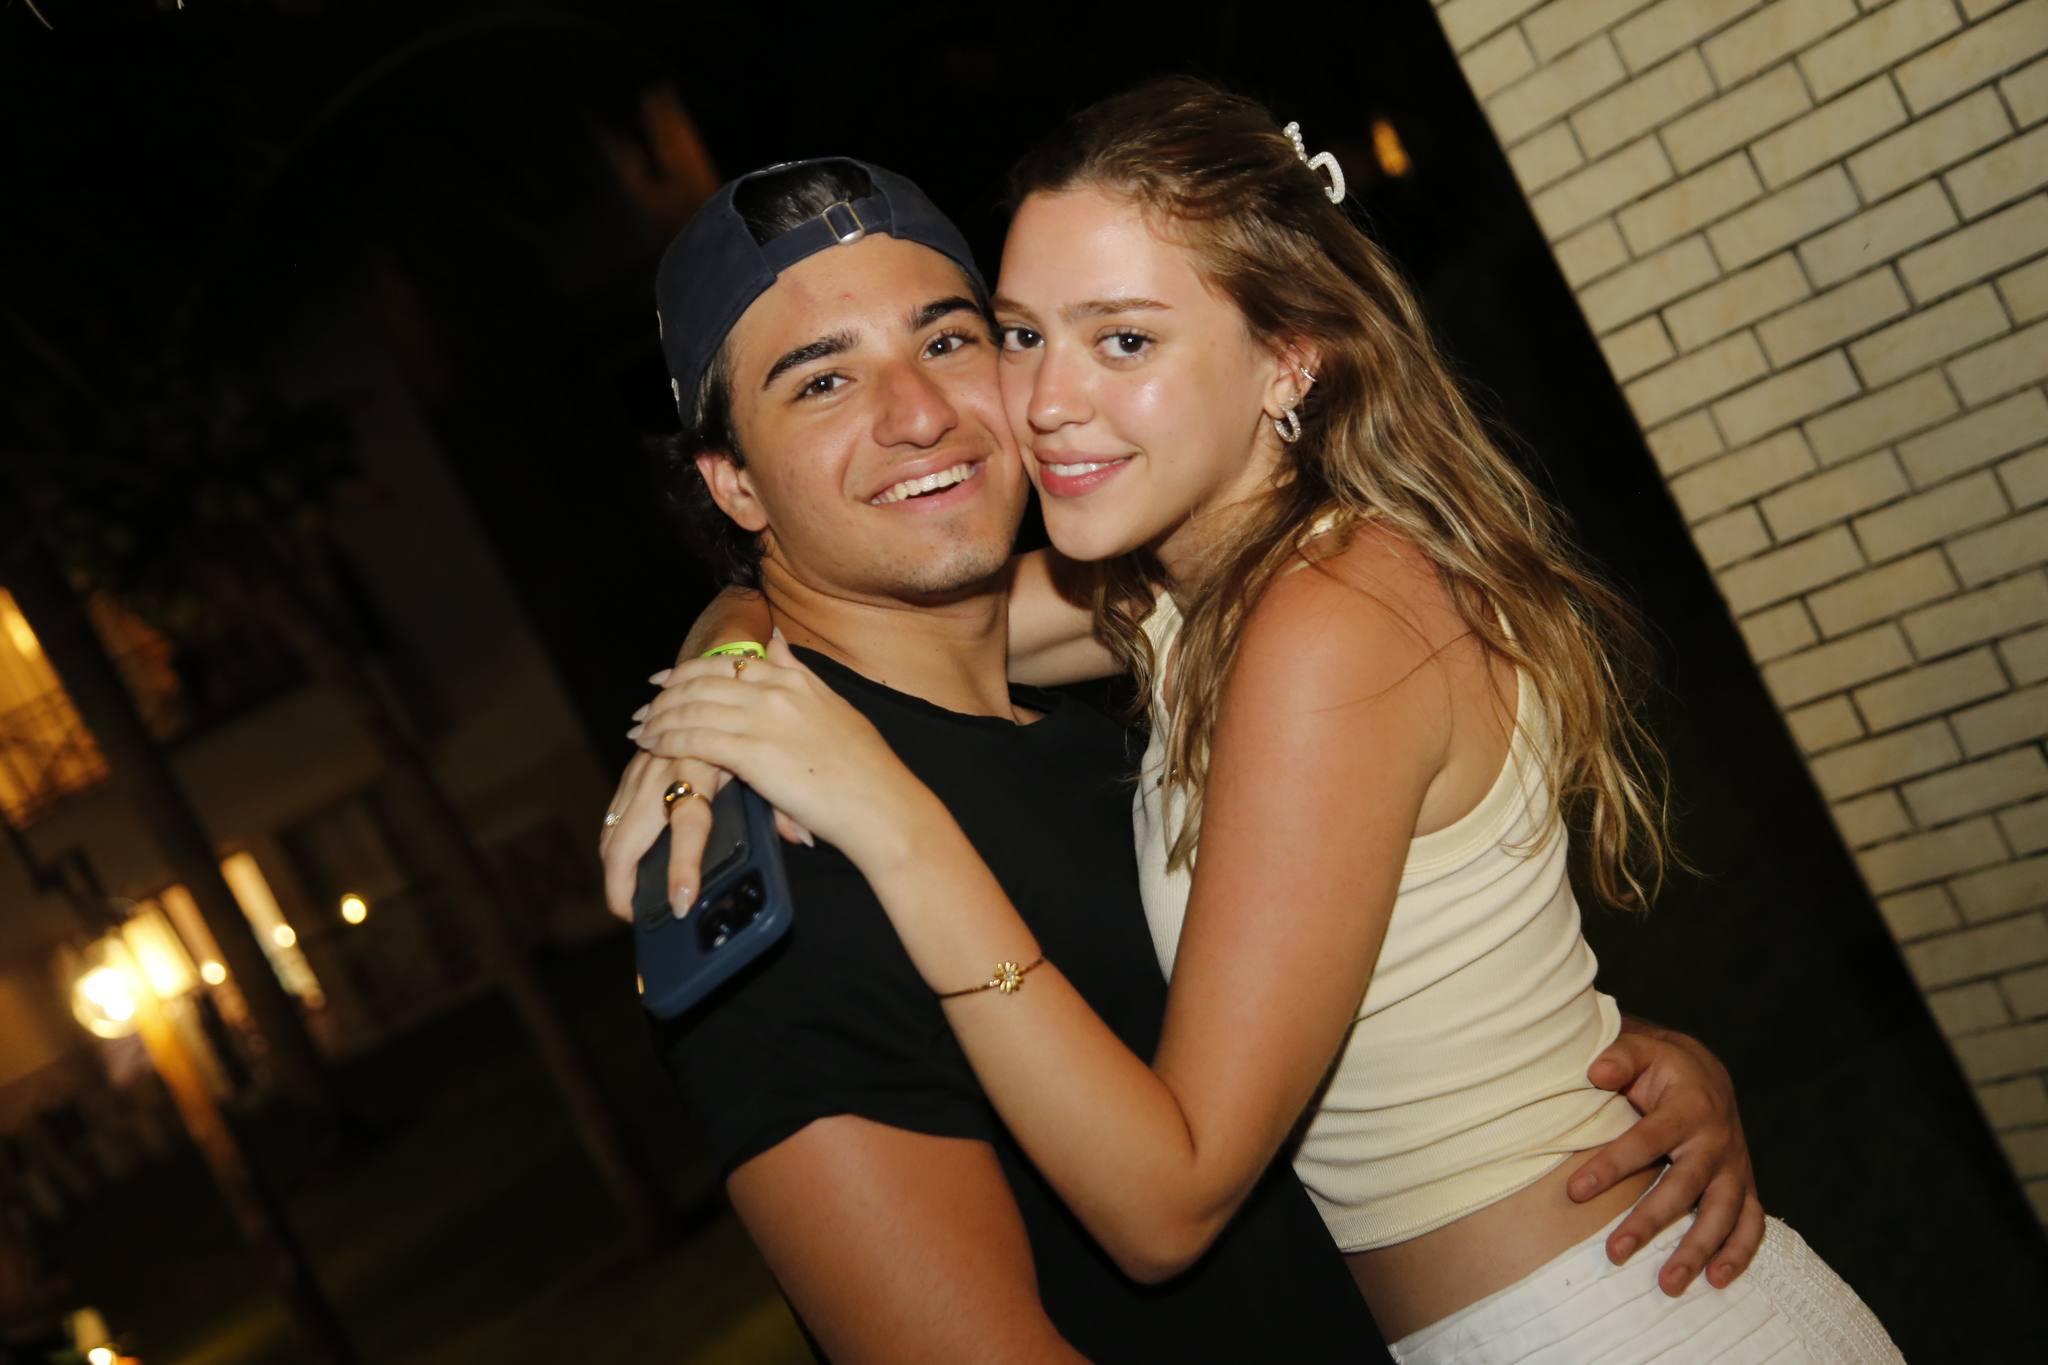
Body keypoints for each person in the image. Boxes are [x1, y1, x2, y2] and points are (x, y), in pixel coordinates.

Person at [617, 82, 1902, 1364]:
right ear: (730, 481)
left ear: (1287, 357)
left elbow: (1174, 1189)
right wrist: (710, 681)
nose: (1042, 399)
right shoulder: (1165, 609)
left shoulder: (1324, 613)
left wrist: (895, 824)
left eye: (1121, 339)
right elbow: (874, 619)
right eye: (1022, 336)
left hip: (1596, 1317)